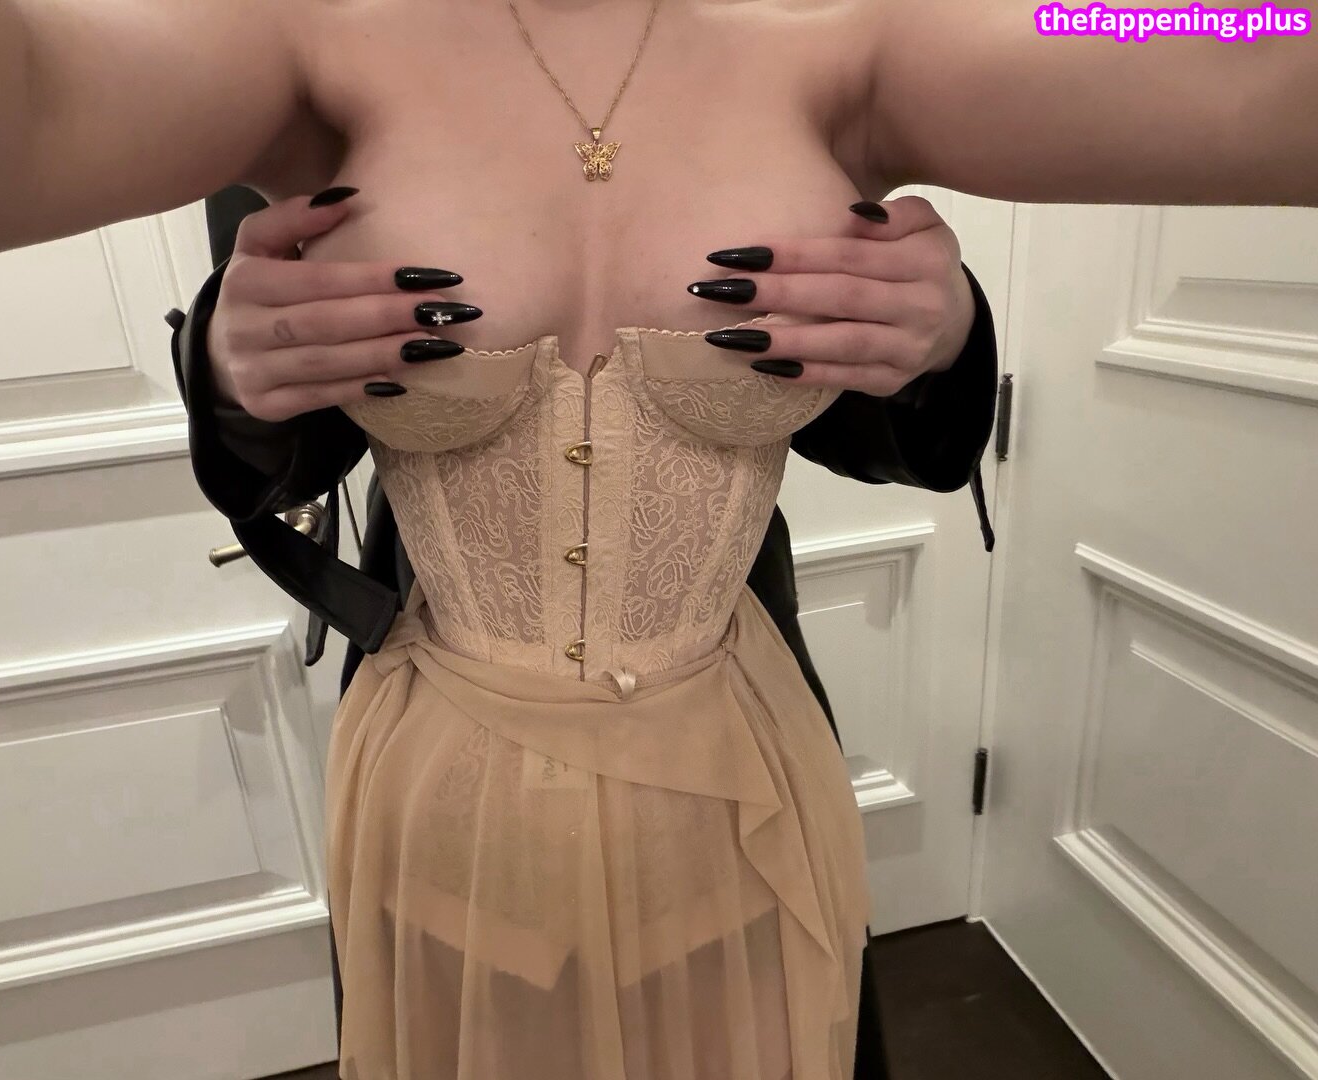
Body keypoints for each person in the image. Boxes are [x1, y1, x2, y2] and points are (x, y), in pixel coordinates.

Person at [0, 4, 1312, 1078]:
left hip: (738, 783)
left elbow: (1243, 41)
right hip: (444, 798)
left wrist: (937, 336)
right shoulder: (298, 37)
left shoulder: (852, 34)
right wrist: (237, 374)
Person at [176, 182, 1001, 1079]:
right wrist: (229, 368)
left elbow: (875, 425)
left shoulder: (808, 116)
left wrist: (939, 335)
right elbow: (286, 451)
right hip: (446, 722)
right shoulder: (308, 123)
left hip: (726, 712)